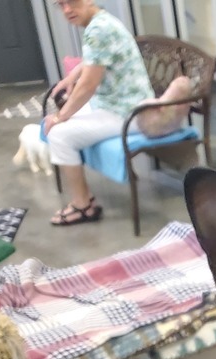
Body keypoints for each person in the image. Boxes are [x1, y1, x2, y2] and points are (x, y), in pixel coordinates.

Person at [43, 0, 154, 226]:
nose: (66, 10)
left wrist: (59, 117)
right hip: (121, 105)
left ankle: (83, 205)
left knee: (58, 134)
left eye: (71, 2)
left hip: (129, 113)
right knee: (59, 120)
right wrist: (71, 77)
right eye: (60, 4)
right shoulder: (103, 21)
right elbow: (93, 60)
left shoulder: (98, 29)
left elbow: (88, 86)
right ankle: (84, 198)